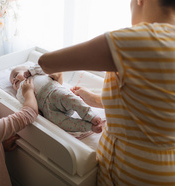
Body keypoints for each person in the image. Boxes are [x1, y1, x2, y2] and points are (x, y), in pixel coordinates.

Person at [38, 0, 175, 185]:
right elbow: (153, 100)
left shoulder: (134, 40)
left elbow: (46, 62)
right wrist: (93, 98)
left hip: (132, 170)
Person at [10, 64, 105, 133]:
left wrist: (31, 71)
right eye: (12, 82)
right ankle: (89, 126)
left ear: (26, 70)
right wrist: (38, 113)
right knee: (62, 124)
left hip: (55, 92)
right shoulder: (19, 93)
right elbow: (27, 103)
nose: (14, 80)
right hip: (47, 110)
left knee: (73, 100)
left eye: (15, 75)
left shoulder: (35, 74)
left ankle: (90, 115)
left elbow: (45, 67)